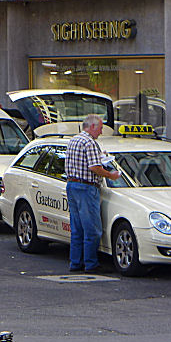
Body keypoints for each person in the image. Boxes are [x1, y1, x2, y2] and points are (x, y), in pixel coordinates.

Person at [65, 114, 120, 272]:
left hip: (72, 185)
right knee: (92, 229)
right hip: (86, 187)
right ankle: (91, 264)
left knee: (77, 228)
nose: (101, 132)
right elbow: (94, 167)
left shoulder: (74, 140)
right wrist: (111, 175)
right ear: (92, 126)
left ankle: (75, 262)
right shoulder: (90, 142)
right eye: (101, 128)